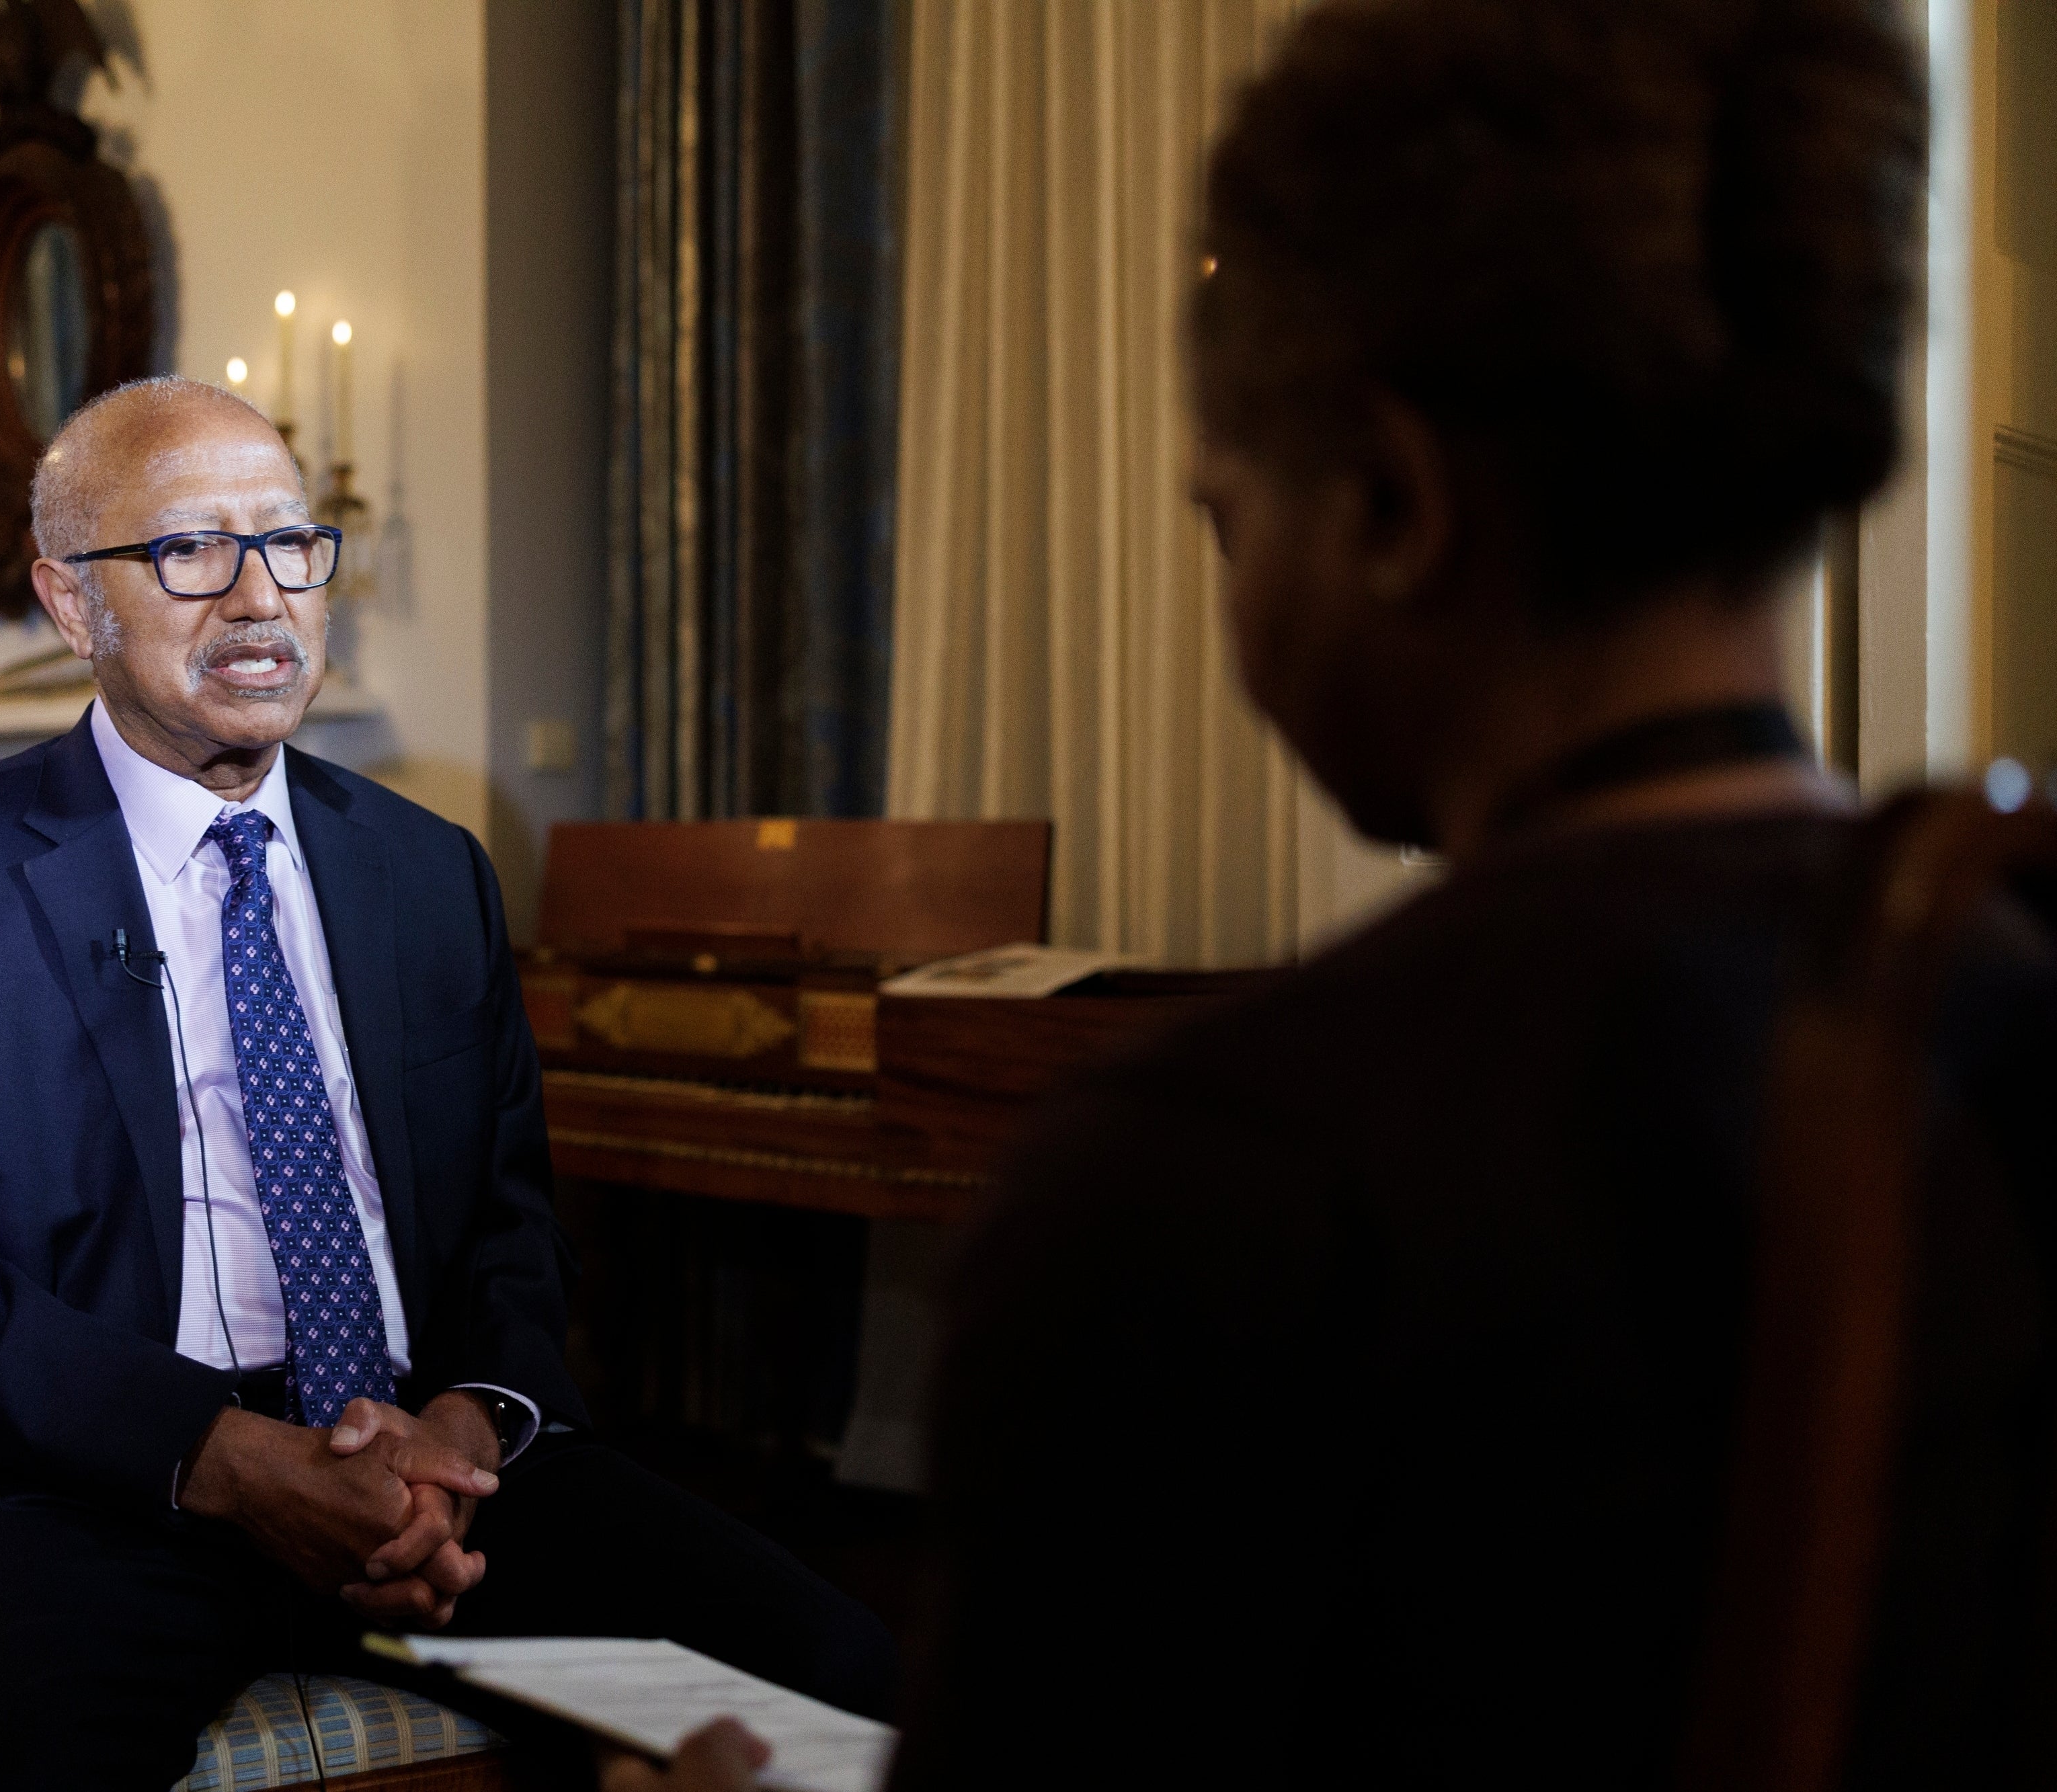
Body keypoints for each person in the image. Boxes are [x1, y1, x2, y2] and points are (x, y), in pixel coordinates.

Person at [616, 0, 2056, 1788]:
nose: (1232, 603)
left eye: (1229, 520)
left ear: (1389, 502)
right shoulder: (2009, 980)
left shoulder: (1206, 1167)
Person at [0, 376, 895, 1789]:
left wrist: (456, 1437)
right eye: (186, 550)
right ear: (70, 603)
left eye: (290, 542)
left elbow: (510, 1226)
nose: (257, 597)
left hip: (423, 1470)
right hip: (72, 1488)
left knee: (841, 1696)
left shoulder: (428, 872)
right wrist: (229, 1457)